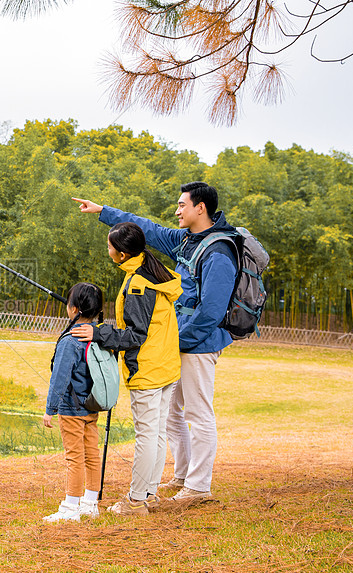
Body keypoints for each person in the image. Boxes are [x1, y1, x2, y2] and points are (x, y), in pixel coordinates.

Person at [71, 182, 238, 506]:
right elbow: (145, 229)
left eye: (181, 205)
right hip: (171, 347)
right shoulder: (185, 240)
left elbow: (211, 312)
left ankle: (199, 487)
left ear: (199, 208)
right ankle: (182, 475)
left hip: (199, 343)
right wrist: (103, 212)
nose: (177, 211)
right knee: (170, 417)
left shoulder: (218, 252)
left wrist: (177, 341)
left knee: (199, 414)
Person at [72, 222, 182, 516]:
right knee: (156, 433)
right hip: (167, 366)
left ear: (121, 253)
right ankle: (149, 494)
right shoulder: (153, 271)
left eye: (109, 247)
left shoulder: (138, 285)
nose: (107, 251)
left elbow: (135, 335)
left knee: (147, 435)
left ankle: (135, 501)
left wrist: (98, 334)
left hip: (148, 369)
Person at [42, 282, 105, 522]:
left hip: (71, 409)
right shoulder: (98, 335)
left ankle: (70, 508)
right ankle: (90, 503)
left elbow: (59, 377)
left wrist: (50, 409)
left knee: (74, 457)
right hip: (92, 406)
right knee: (91, 454)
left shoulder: (70, 341)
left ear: (73, 309)